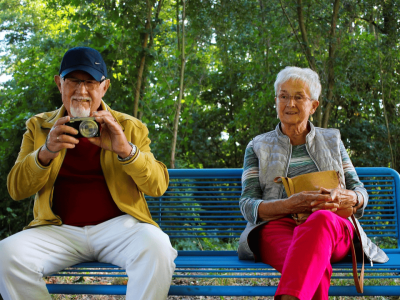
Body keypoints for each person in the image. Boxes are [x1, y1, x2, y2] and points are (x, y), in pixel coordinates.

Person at [0, 47, 177, 300]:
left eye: (90, 82)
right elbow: (16, 189)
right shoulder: (39, 126)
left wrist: (125, 150)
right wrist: (45, 152)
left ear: (104, 87)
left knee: (157, 246)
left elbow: (158, 186)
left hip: (119, 228)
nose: (81, 91)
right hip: (58, 230)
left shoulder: (128, 126)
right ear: (59, 84)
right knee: (5, 255)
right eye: (73, 81)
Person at [238, 66, 388, 300]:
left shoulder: (332, 140)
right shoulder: (257, 146)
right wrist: (289, 205)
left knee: (320, 221)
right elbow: (248, 205)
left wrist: (350, 197)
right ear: (276, 100)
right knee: (309, 262)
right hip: (278, 226)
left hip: (332, 225)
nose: (290, 104)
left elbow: (360, 192)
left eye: (299, 97)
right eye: (284, 96)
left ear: (314, 106)